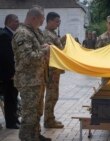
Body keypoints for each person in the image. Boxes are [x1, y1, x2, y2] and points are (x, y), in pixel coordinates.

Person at [12, 5, 51, 141]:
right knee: (29, 113)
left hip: (38, 79)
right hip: (28, 81)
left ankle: (35, 135)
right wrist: (45, 51)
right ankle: (26, 138)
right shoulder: (22, 33)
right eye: (41, 20)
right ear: (33, 18)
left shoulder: (35, 31)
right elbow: (28, 57)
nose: (42, 23)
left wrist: (46, 48)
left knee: (37, 111)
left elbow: (41, 46)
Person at [43, 12, 64, 128]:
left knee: (54, 95)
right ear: (49, 21)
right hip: (51, 71)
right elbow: (51, 52)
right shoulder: (47, 35)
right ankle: (48, 121)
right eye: (57, 21)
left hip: (55, 70)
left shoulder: (52, 34)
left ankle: (50, 118)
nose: (58, 23)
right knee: (51, 96)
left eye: (59, 21)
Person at [0, 14, 20, 129]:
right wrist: (13, 73)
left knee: (14, 97)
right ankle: (11, 122)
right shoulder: (4, 36)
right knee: (10, 98)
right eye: (16, 21)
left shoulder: (10, 34)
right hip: (8, 75)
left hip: (11, 73)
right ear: (9, 22)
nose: (18, 23)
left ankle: (15, 120)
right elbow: (7, 57)